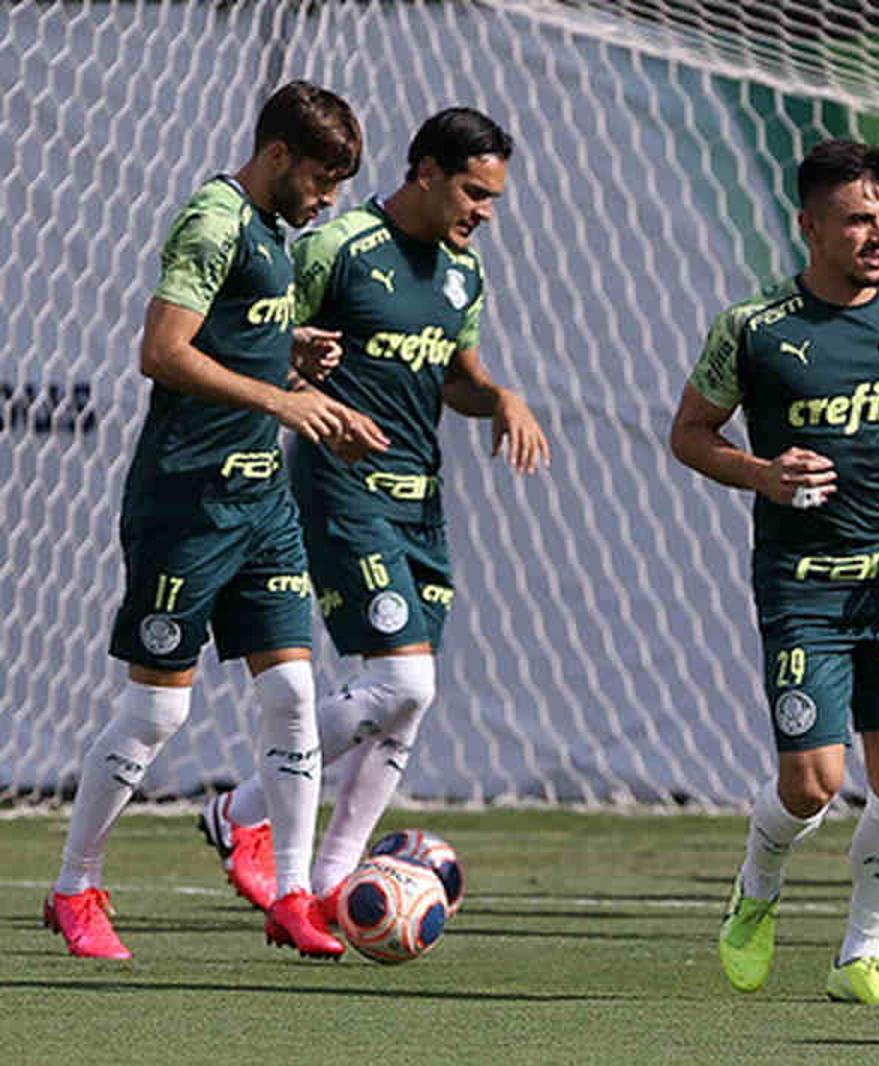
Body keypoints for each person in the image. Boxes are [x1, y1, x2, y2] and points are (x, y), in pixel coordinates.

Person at [46, 81, 381, 960]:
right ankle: (76, 887)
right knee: (157, 714)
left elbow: (229, 335)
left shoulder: (273, 232)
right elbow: (161, 351)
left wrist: (293, 360)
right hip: (187, 501)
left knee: (294, 693)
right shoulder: (215, 218)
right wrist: (278, 391)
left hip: (261, 500)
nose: (327, 200)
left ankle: (295, 895)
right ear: (276, 156)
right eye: (320, 179)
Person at [199, 107, 549, 913]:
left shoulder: (464, 272)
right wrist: (310, 396)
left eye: (494, 198)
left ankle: (330, 881)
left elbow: (453, 377)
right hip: (337, 487)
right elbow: (261, 346)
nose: (483, 212)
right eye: (473, 192)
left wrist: (501, 397)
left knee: (405, 699)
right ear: (424, 171)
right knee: (404, 682)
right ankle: (239, 810)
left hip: (419, 500)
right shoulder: (335, 248)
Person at [671, 139, 879, 1004]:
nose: (877, 234)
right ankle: (757, 887)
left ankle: (860, 954)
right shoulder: (755, 330)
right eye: (857, 220)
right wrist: (763, 474)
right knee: (811, 785)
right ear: (811, 227)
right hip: (804, 584)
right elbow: (691, 433)